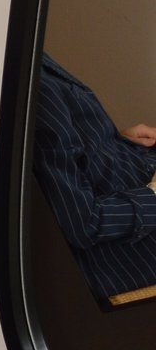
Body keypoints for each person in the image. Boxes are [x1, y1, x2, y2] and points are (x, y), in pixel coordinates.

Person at [33, 53, 156, 298]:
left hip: (136, 174)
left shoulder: (33, 61)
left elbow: (70, 155)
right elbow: (83, 223)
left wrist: (114, 141)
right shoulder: (35, 90)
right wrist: (153, 196)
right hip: (126, 256)